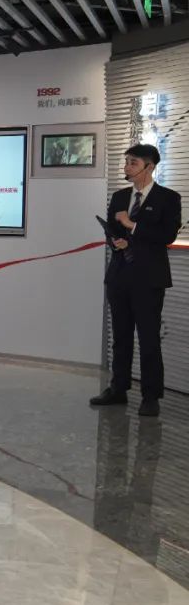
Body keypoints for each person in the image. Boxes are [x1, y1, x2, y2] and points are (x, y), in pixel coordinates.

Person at [91, 144, 182, 417]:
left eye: (133, 163)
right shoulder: (120, 196)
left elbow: (167, 235)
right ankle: (118, 388)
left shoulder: (168, 198)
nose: (127, 167)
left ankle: (151, 396)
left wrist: (132, 225)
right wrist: (115, 240)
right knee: (120, 336)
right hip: (120, 275)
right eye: (127, 162)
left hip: (149, 278)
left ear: (149, 166)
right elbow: (111, 228)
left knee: (149, 338)